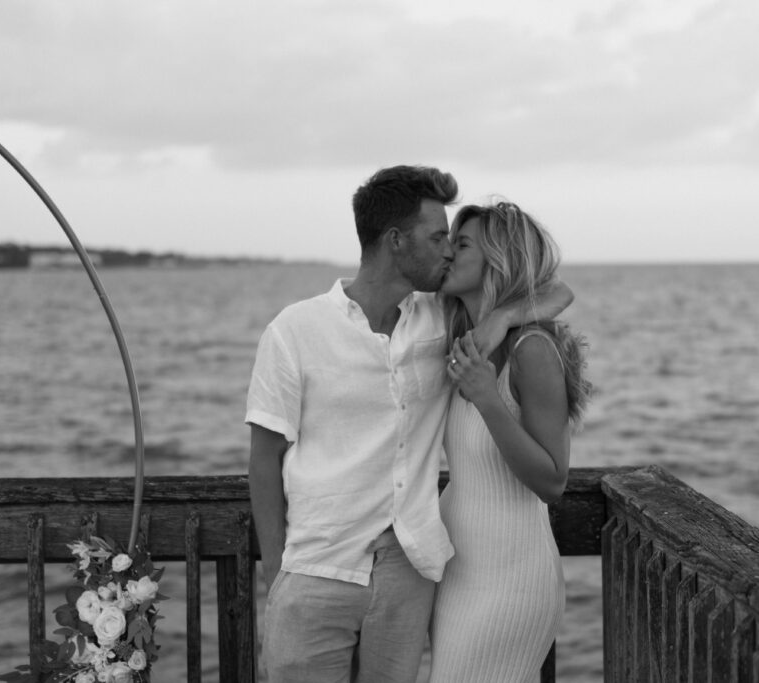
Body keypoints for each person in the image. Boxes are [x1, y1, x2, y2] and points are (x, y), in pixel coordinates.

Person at [245, 166, 574, 683]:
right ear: (396, 241)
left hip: (411, 566)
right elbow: (264, 459)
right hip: (318, 568)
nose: (447, 250)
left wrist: (504, 319)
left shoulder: (440, 322)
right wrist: (276, 573)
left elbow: (555, 291)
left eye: (455, 240)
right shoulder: (296, 330)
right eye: (439, 237)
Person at [428, 201, 592, 683]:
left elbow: (553, 480)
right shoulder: (469, 343)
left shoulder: (532, 349)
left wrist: (488, 399)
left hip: (510, 581)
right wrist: (499, 317)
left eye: (461, 244)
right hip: (459, 574)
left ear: (498, 260)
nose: (448, 254)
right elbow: (561, 291)